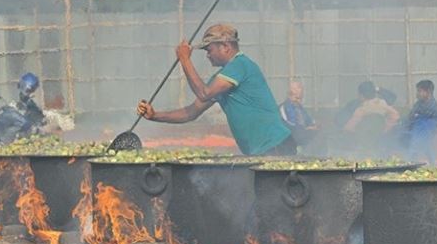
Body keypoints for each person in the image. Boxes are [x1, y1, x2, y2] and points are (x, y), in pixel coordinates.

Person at [137, 23, 295, 155]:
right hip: (261, 151)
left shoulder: (239, 65)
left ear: (225, 46)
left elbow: (204, 93)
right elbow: (191, 112)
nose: (207, 55)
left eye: (209, 50)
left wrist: (184, 60)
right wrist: (155, 115)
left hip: (276, 146)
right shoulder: (221, 79)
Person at [403, 79, 437, 164]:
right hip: (416, 132)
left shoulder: (434, 108)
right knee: (426, 148)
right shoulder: (419, 104)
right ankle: (431, 163)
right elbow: (411, 116)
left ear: (428, 92)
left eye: (419, 91)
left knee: (415, 147)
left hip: (423, 132)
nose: (417, 94)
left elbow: (434, 124)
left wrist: (415, 119)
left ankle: (410, 162)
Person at [279, 81, 319, 147]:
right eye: (296, 98)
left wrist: (314, 125)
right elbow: (288, 125)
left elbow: (309, 120)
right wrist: (305, 129)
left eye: (300, 98)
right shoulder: (283, 108)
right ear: (289, 95)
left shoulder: (300, 108)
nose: (299, 101)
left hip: (304, 134)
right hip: (292, 137)